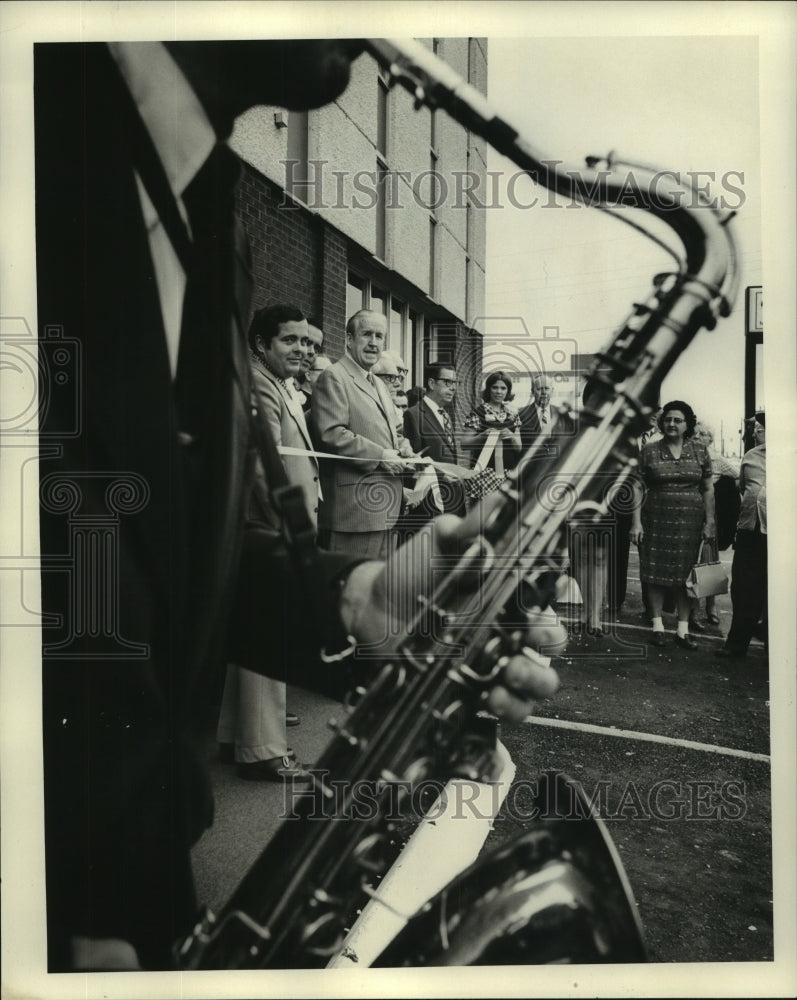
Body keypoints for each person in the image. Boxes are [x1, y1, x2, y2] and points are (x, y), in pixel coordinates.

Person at [34, 38, 567, 973]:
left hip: (130, 885)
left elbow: (140, 545)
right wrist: (64, 900)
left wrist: (358, 597)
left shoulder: (201, 205)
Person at [216, 304, 319, 782]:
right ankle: (264, 752)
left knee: (253, 636)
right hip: (269, 524)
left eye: (306, 341)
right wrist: (289, 528)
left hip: (267, 524)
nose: (302, 349)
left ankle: (236, 734)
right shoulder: (261, 382)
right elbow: (263, 466)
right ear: (262, 344)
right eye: (290, 341)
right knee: (266, 634)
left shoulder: (279, 383)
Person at [311, 309, 417, 557]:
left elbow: (391, 430)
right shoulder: (334, 377)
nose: (374, 343)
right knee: (350, 587)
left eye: (380, 336)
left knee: (376, 587)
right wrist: (381, 455)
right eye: (366, 334)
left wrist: (403, 447)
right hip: (354, 514)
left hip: (386, 509)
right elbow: (331, 433)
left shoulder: (379, 383)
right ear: (349, 339)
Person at [630, 400, 716, 650]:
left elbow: (708, 488)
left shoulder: (700, 450)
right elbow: (636, 486)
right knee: (654, 573)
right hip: (655, 518)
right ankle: (657, 625)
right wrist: (635, 523)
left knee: (685, 576)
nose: (671, 424)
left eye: (677, 420)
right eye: (667, 419)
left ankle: (682, 630)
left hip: (691, 521)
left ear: (687, 424)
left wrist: (709, 522)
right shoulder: (649, 449)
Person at [715, 413, 767, 660]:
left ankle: (774, 645)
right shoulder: (752, 456)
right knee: (744, 588)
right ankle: (736, 644)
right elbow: (743, 487)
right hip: (750, 531)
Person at [689, 422, 741, 631]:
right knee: (690, 565)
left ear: (710, 439)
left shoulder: (716, 459)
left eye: (704, 434)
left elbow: (739, 475)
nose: (699, 437)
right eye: (696, 433)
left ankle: (711, 608)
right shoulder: (686, 455)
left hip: (708, 517)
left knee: (709, 563)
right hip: (689, 515)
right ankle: (693, 611)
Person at [402, 363, 468, 519]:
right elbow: (413, 463)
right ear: (431, 383)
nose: (453, 388)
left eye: (455, 383)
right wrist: (441, 475)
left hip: (452, 500)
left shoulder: (445, 415)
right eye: (447, 382)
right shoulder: (414, 415)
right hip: (430, 503)